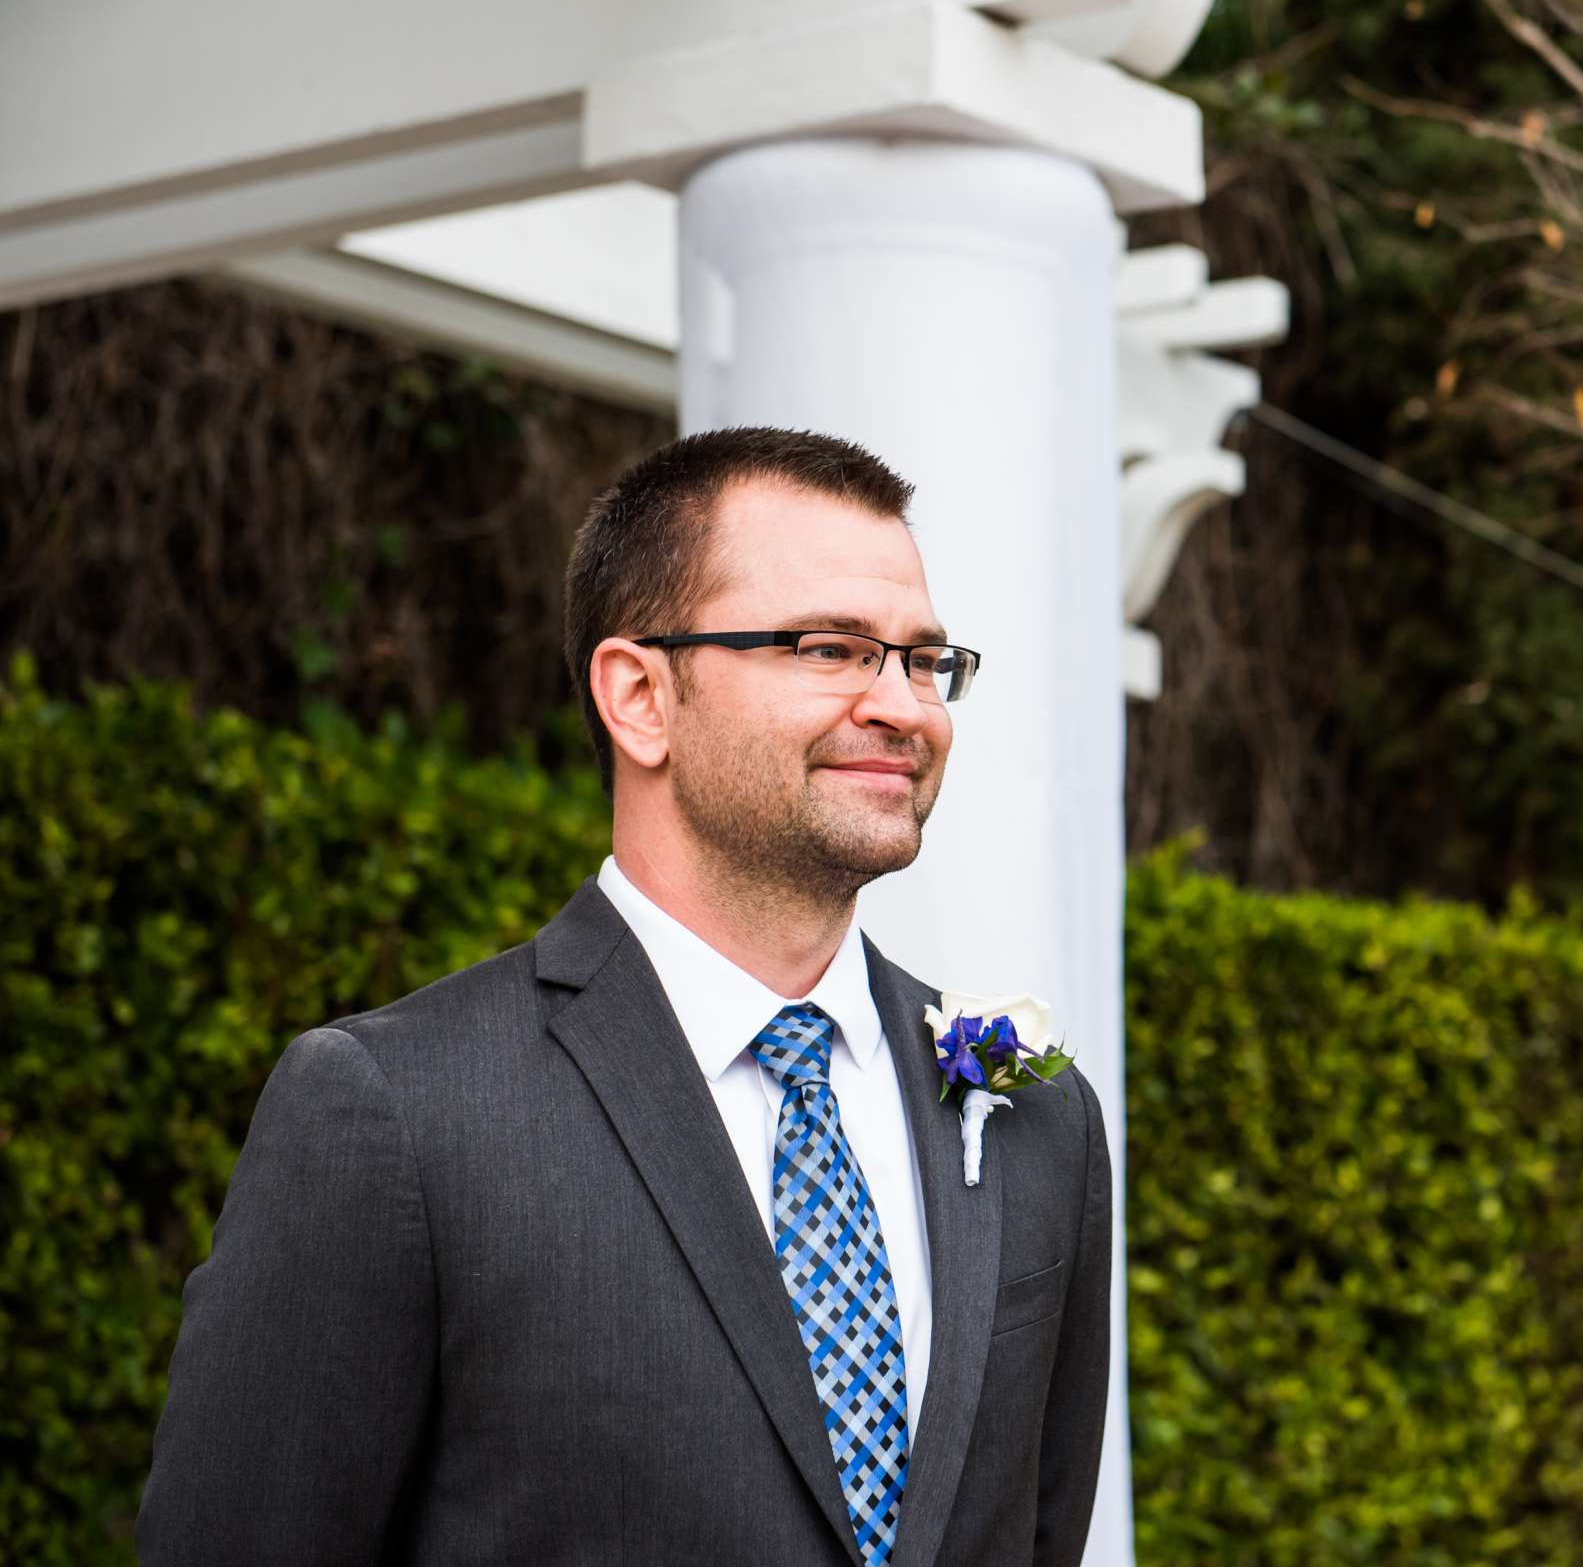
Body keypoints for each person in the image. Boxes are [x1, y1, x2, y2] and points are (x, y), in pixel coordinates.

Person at [138, 427, 1113, 1567]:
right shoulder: (398, 1112)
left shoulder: (1033, 1113)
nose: (904, 705)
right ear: (640, 694)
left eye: (923, 659)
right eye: (831, 647)